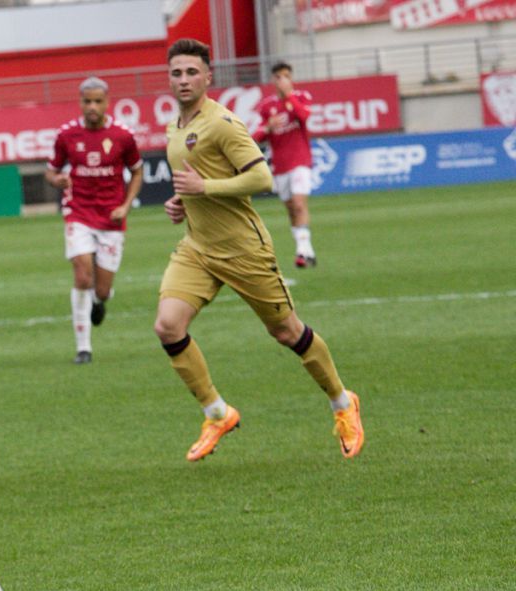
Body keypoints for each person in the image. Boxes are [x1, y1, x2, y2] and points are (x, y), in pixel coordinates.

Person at [155, 39, 365, 462]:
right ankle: (218, 413)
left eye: (191, 72)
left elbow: (262, 178)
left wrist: (204, 188)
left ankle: (343, 403)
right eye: (176, 73)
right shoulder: (174, 127)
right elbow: (196, 183)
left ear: (208, 77)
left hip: (243, 249)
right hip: (197, 247)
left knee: (287, 332)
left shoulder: (224, 124)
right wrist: (183, 202)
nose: (183, 80)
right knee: (168, 326)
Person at [45, 77, 143, 364]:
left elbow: (137, 171)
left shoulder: (123, 136)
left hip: (111, 217)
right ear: (80, 102)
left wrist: (125, 206)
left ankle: (100, 301)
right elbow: (50, 171)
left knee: (101, 289)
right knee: (82, 275)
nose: (92, 106)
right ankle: (83, 348)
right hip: (78, 212)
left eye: (97, 101)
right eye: (87, 101)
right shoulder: (67, 135)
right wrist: (58, 179)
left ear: (106, 102)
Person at [252, 62, 317, 268]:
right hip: (280, 166)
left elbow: (305, 117)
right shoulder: (266, 107)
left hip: (301, 161)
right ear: (273, 80)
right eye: (279, 77)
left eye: (286, 76)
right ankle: (308, 252)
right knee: (290, 209)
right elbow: (255, 137)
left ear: (291, 78)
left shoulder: (301, 97)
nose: (283, 80)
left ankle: (302, 252)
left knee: (299, 204)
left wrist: (289, 96)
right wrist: (268, 127)